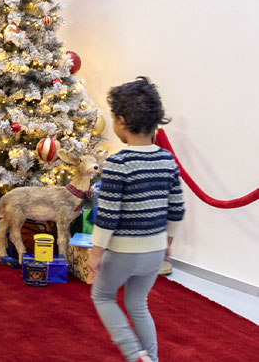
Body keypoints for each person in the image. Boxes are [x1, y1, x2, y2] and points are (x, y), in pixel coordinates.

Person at [87, 77, 185, 362]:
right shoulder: (167, 160)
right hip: (154, 251)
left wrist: (96, 251)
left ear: (120, 121)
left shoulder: (118, 163)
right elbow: (177, 207)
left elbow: (108, 213)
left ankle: (134, 354)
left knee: (102, 296)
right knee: (138, 303)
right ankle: (151, 358)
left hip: (123, 252)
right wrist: (166, 244)